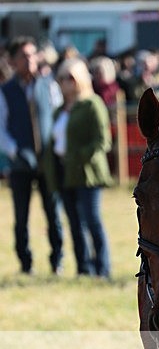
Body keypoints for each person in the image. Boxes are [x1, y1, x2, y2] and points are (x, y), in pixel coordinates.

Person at [0, 36, 64, 274]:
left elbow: (58, 118)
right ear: (12, 61)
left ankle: (57, 260)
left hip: (47, 162)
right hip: (21, 163)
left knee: (53, 215)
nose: (29, 60)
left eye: (32, 55)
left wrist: (55, 151)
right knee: (21, 217)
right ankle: (25, 264)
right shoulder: (5, 91)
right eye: (23, 56)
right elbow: (1, 128)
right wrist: (16, 151)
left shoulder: (49, 85)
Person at [45, 57, 113, 277]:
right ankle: (84, 268)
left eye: (70, 78)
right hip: (65, 172)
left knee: (92, 221)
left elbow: (103, 141)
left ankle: (102, 268)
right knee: (74, 223)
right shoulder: (60, 110)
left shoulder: (92, 104)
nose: (66, 83)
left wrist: (79, 156)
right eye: (62, 78)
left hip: (87, 173)